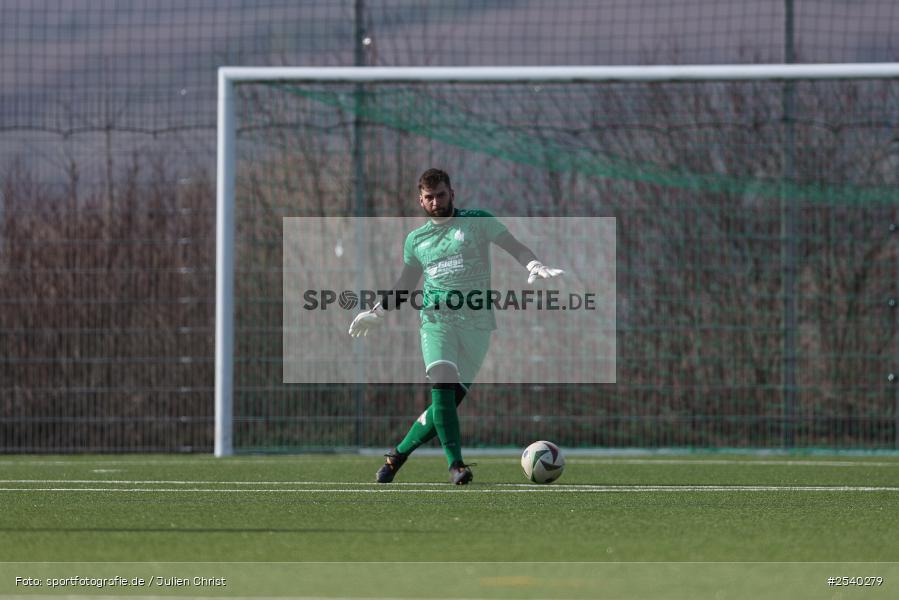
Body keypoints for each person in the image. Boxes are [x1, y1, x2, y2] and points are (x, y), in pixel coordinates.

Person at [348, 168, 563, 485]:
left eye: (441, 195)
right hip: (437, 322)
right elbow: (406, 284)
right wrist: (377, 311)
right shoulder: (416, 240)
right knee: (442, 384)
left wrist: (532, 262)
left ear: (452, 194)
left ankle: (396, 456)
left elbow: (511, 244)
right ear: (420, 200)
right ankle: (456, 466)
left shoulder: (476, 221)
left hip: (477, 326)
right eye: (429, 197)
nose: (436, 202)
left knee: (442, 407)